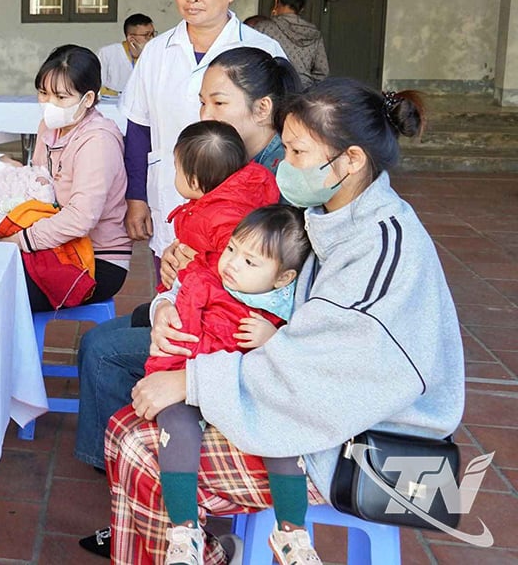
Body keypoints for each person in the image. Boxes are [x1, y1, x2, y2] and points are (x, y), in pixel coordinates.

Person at [105, 80, 463, 565]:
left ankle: (199, 551)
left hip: (357, 442)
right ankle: (200, 553)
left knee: (139, 447)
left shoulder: (382, 250)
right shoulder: (319, 213)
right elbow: (228, 277)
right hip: (305, 405)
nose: (284, 165)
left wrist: (191, 381)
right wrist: (169, 303)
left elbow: (321, 373)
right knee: (127, 426)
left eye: (297, 152)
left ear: (351, 160)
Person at [75, 47, 297, 558]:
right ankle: (128, 495)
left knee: (103, 351)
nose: (205, 113)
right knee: (110, 334)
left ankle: (136, 498)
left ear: (262, 109)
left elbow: (262, 274)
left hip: (227, 330)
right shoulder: (237, 163)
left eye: (218, 102)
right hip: (199, 304)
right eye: (202, 102)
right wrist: (177, 273)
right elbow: (205, 242)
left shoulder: (277, 180)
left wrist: (190, 280)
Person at [148, 206, 314, 564]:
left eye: (250, 262)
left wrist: (274, 339)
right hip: (188, 379)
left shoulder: (288, 308)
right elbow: (173, 293)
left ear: (283, 278)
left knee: (283, 435)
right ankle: (184, 531)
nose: (233, 264)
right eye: (231, 249)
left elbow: (302, 356)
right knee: (175, 428)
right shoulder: (205, 277)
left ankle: (291, 533)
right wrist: (162, 308)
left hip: (248, 394)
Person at [121, 0, 285, 279]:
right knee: (171, 283)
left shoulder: (262, 49)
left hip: (240, 209)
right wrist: (136, 196)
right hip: (172, 194)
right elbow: (138, 127)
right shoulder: (156, 51)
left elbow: (278, 133)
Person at [0, 45, 131, 311]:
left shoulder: (98, 141)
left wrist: (23, 240)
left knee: (1, 291)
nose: (50, 104)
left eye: (61, 96)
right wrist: (7, 182)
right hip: (57, 246)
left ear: (88, 98)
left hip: (95, 259)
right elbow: (40, 185)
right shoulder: (49, 127)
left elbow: (80, 219)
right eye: (43, 93)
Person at [157, 120, 280, 291]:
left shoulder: (226, 218)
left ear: (194, 182)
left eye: (177, 170)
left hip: (211, 300)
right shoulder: (212, 203)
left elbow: (236, 270)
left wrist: (193, 268)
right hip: (195, 288)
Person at [258, 0, 329, 88]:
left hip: (273, 89)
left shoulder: (264, 28)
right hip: (303, 90)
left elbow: (252, 62)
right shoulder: (314, 33)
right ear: (302, 8)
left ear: (277, 2)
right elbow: (322, 72)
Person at [98, 13, 155, 96]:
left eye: (153, 34)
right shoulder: (107, 53)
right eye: (147, 35)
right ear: (131, 39)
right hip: (112, 102)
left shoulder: (154, 56)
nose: (152, 39)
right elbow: (97, 87)